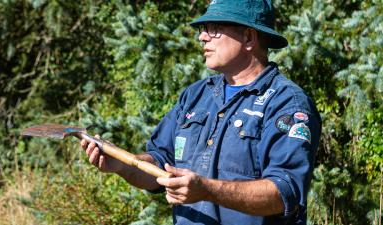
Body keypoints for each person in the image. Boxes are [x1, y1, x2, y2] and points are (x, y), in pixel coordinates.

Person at [81, 0, 322, 224]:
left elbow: (284, 192)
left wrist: (206, 190)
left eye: (214, 28)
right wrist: (122, 164)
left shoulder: (286, 103)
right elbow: (160, 163)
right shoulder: (197, 95)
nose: (203, 37)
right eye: (203, 28)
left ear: (249, 37)